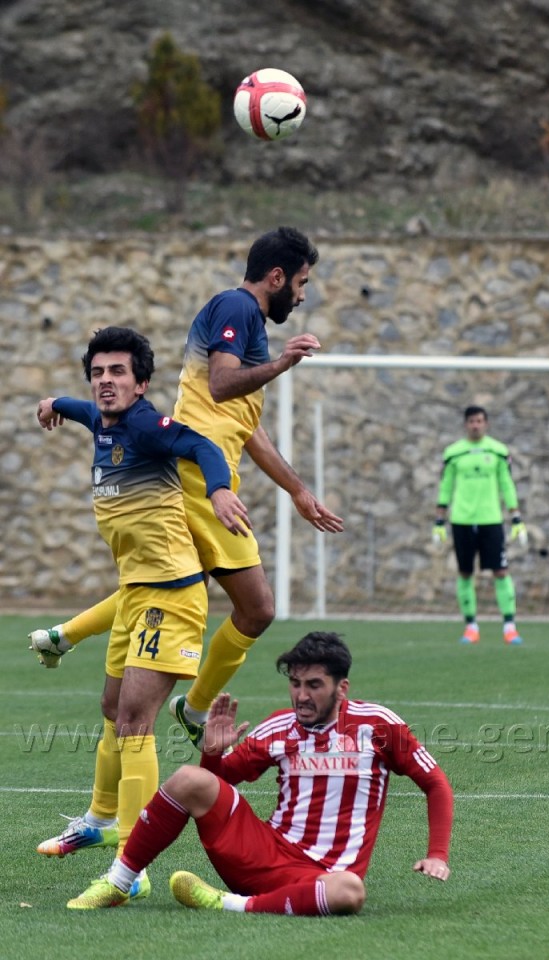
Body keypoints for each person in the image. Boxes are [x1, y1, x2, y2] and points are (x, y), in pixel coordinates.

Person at [30, 225, 343, 739]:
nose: (303, 296)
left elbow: (249, 428)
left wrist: (296, 489)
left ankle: (64, 637)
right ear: (277, 276)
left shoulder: (249, 326)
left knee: (168, 581)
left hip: (205, 472)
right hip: (200, 476)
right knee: (257, 608)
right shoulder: (236, 307)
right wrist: (283, 364)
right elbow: (221, 386)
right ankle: (194, 709)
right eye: (302, 283)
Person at [35, 325, 252, 905]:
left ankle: (129, 869)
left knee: (134, 718)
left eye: (118, 373)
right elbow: (83, 409)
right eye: (99, 372)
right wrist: (53, 404)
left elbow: (199, 445)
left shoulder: (144, 425)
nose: (106, 382)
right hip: (136, 593)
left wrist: (220, 489)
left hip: (171, 597)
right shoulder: (102, 418)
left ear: (141, 384)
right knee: (112, 709)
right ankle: (101, 820)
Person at [65, 631, 453, 913]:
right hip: (261, 853)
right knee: (188, 779)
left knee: (350, 893)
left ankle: (228, 904)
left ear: (342, 688)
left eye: (314, 685)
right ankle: (118, 882)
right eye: (295, 683)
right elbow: (216, 785)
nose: (301, 695)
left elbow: (435, 784)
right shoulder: (280, 727)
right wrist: (214, 753)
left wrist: (437, 854)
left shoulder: (379, 726)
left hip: (323, 877)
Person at [432, 405, 527, 645]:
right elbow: (446, 486)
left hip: (491, 519)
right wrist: (439, 521)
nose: (476, 425)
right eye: (472, 421)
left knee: (501, 571)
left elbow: (507, 484)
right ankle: (471, 627)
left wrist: (516, 517)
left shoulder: (498, 451)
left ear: (486, 424)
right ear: (466, 424)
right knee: (465, 572)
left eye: (480, 421)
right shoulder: (453, 453)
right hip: (461, 520)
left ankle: (509, 626)